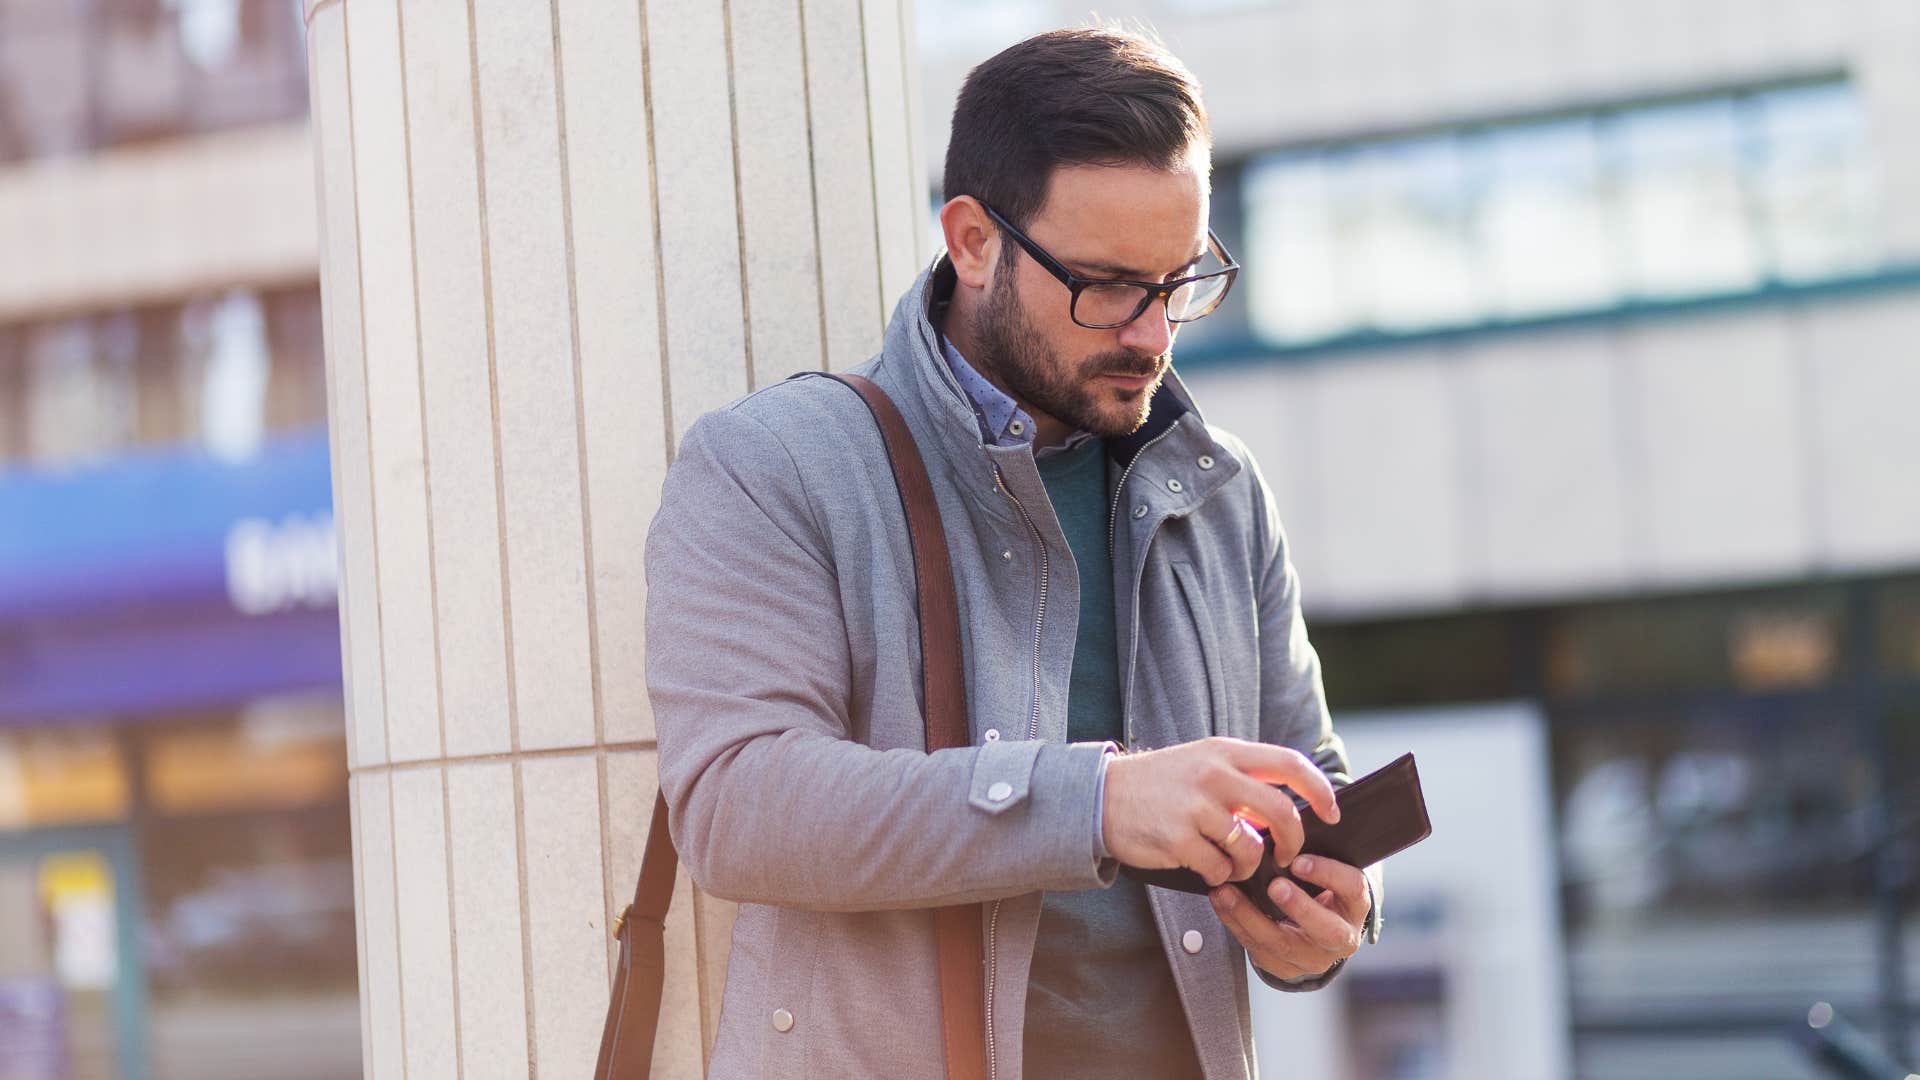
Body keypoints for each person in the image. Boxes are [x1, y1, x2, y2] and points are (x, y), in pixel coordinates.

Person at [644, 25, 1382, 1080]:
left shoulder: (1220, 490)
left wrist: (1328, 918)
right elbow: (739, 808)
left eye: (1180, 282)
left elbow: (1309, 777)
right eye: (1109, 284)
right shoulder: (772, 465)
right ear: (973, 240)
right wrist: (1096, 802)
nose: (1152, 333)